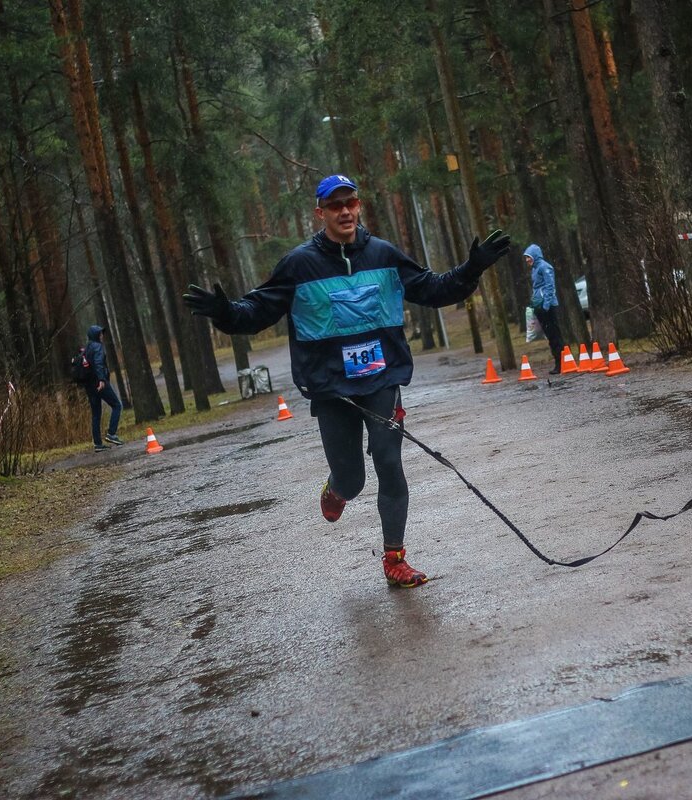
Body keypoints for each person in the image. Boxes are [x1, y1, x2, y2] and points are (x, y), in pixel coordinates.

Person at [183, 174, 510, 588]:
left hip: (381, 378)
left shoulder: (384, 254)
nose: (345, 211)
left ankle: (395, 559)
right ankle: (336, 489)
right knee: (353, 480)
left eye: (351, 203)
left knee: (390, 462)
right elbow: (257, 310)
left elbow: (432, 289)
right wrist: (224, 312)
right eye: (335, 206)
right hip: (331, 387)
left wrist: (471, 268)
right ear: (320, 213)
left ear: (358, 206)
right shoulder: (299, 264)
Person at [524, 244, 564, 374]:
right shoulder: (535, 269)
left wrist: (546, 305)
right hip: (539, 306)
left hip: (547, 307)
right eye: (526, 258)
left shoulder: (544, 267)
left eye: (529, 257)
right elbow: (537, 288)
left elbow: (550, 286)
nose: (527, 260)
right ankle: (558, 362)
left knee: (554, 335)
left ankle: (561, 363)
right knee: (550, 335)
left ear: (535, 255)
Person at [83, 325, 124, 452]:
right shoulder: (97, 347)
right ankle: (111, 433)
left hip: (89, 385)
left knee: (96, 414)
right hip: (99, 383)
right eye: (100, 334)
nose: (102, 336)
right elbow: (99, 363)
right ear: (95, 335)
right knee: (117, 405)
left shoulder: (87, 348)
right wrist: (101, 380)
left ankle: (98, 444)